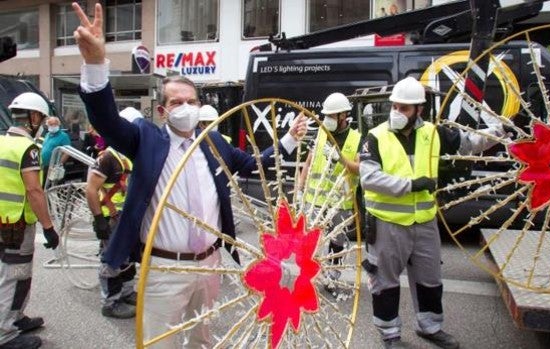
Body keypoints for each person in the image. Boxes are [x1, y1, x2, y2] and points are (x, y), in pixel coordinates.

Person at [72, 3, 307, 347]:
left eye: (191, 101)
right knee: (158, 342)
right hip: (164, 269)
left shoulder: (212, 141)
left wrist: (287, 140)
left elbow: (254, 164)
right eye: (176, 102)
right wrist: (95, 64)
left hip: (210, 265)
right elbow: (107, 120)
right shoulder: (146, 139)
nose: (185, 108)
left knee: (203, 339)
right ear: (162, 110)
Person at [359, 76, 506, 349]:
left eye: (404, 108)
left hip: (425, 223)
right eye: (394, 107)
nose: (397, 113)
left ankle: (430, 327)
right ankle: (389, 333)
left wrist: (498, 132)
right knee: (385, 282)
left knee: (429, 280)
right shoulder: (375, 136)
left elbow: (469, 143)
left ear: (418, 110)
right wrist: (410, 185)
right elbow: (369, 178)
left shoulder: (433, 133)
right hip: (387, 224)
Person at [0, 92, 60, 349]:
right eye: (42, 118)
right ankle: (5, 334)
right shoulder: (28, 149)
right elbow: (34, 191)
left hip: (3, 220)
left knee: (10, 272)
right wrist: (48, 228)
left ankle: (15, 317)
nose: (44, 124)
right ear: (34, 117)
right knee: (15, 274)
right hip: (17, 222)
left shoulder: (1, 141)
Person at [298, 92, 361, 298]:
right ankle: (306, 278)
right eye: (327, 115)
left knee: (337, 243)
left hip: (340, 204)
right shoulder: (321, 134)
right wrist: (299, 188)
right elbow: (308, 162)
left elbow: (358, 168)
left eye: (332, 115)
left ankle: (331, 278)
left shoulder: (356, 138)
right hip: (314, 200)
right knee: (310, 242)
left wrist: (339, 157)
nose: (328, 119)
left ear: (344, 115)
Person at [85, 107, 142, 319]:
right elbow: (90, 189)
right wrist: (99, 219)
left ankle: (127, 293)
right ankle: (110, 302)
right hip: (112, 218)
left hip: (128, 217)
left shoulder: (130, 156)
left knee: (127, 257)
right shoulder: (108, 157)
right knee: (111, 260)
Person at [41, 116, 71, 184]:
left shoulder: (63, 136)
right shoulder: (47, 135)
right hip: (45, 166)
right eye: (51, 124)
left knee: (54, 186)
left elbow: (67, 152)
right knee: (45, 185)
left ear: (58, 124)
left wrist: (58, 164)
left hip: (55, 167)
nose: (53, 126)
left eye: (55, 124)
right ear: (47, 125)